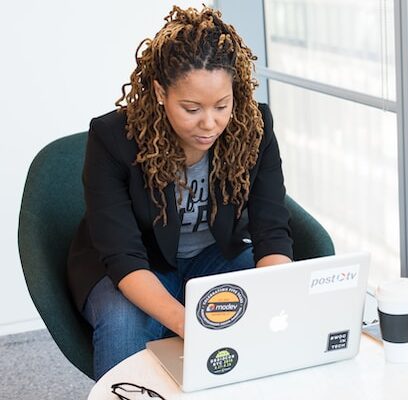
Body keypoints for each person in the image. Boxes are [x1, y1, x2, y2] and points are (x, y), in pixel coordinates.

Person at [66, 6, 293, 380]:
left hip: (213, 257)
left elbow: (271, 230)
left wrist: (279, 295)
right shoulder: (112, 139)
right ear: (160, 92)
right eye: (191, 108)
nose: (210, 123)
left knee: (273, 311)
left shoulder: (255, 126)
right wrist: (190, 322)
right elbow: (123, 255)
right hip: (138, 265)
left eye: (222, 105)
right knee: (125, 323)